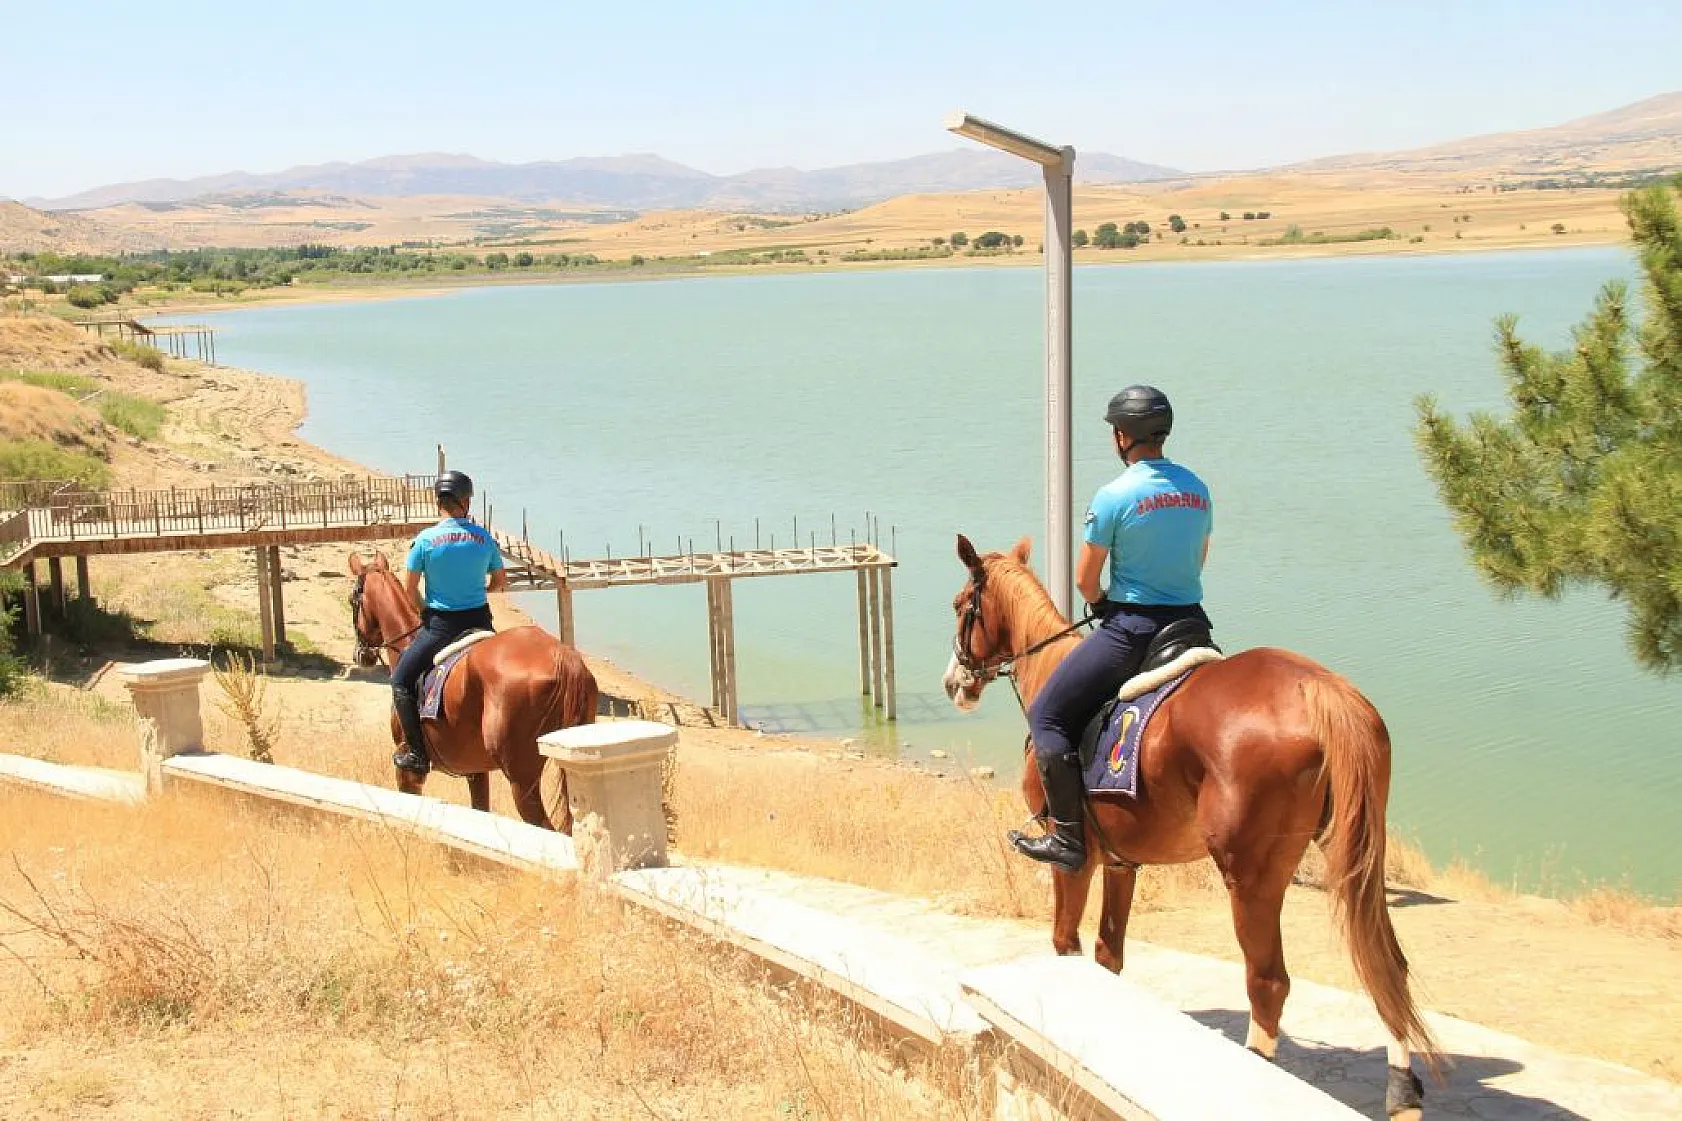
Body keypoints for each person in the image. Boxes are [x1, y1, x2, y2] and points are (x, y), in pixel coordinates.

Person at [1009, 385, 1214, 871]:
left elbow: (1085, 579)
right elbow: (1198, 562)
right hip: (1192, 626)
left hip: (1132, 630)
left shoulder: (1114, 496)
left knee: (1048, 718)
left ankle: (1068, 839)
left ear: (1122, 436)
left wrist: (1100, 603)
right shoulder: (1198, 490)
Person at [390, 470, 507, 774]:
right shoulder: (484, 538)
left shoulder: (425, 541)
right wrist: (480, 590)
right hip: (481, 622)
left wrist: (424, 609)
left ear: (439, 502)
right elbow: (499, 581)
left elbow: (409, 588)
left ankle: (416, 753)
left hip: (442, 627)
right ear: (465, 502)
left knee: (401, 679)